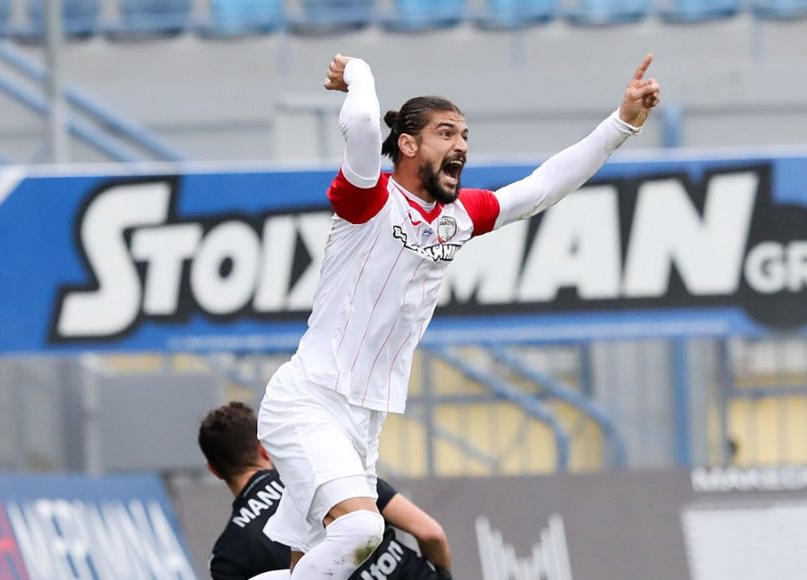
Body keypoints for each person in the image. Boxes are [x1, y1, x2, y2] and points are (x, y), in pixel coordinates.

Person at [257, 52, 662, 579]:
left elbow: (544, 186)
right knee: (361, 531)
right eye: (446, 133)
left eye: (465, 135)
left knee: (315, 563)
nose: (462, 145)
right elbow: (362, 123)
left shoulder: (458, 217)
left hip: (363, 419)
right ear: (408, 145)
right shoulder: (368, 199)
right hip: (310, 400)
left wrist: (623, 122)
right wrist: (357, 71)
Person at [198, 401, 452, 580]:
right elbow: (431, 533)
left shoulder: (227, 556)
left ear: (214, 470)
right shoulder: (329, 469)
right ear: (264, 450)